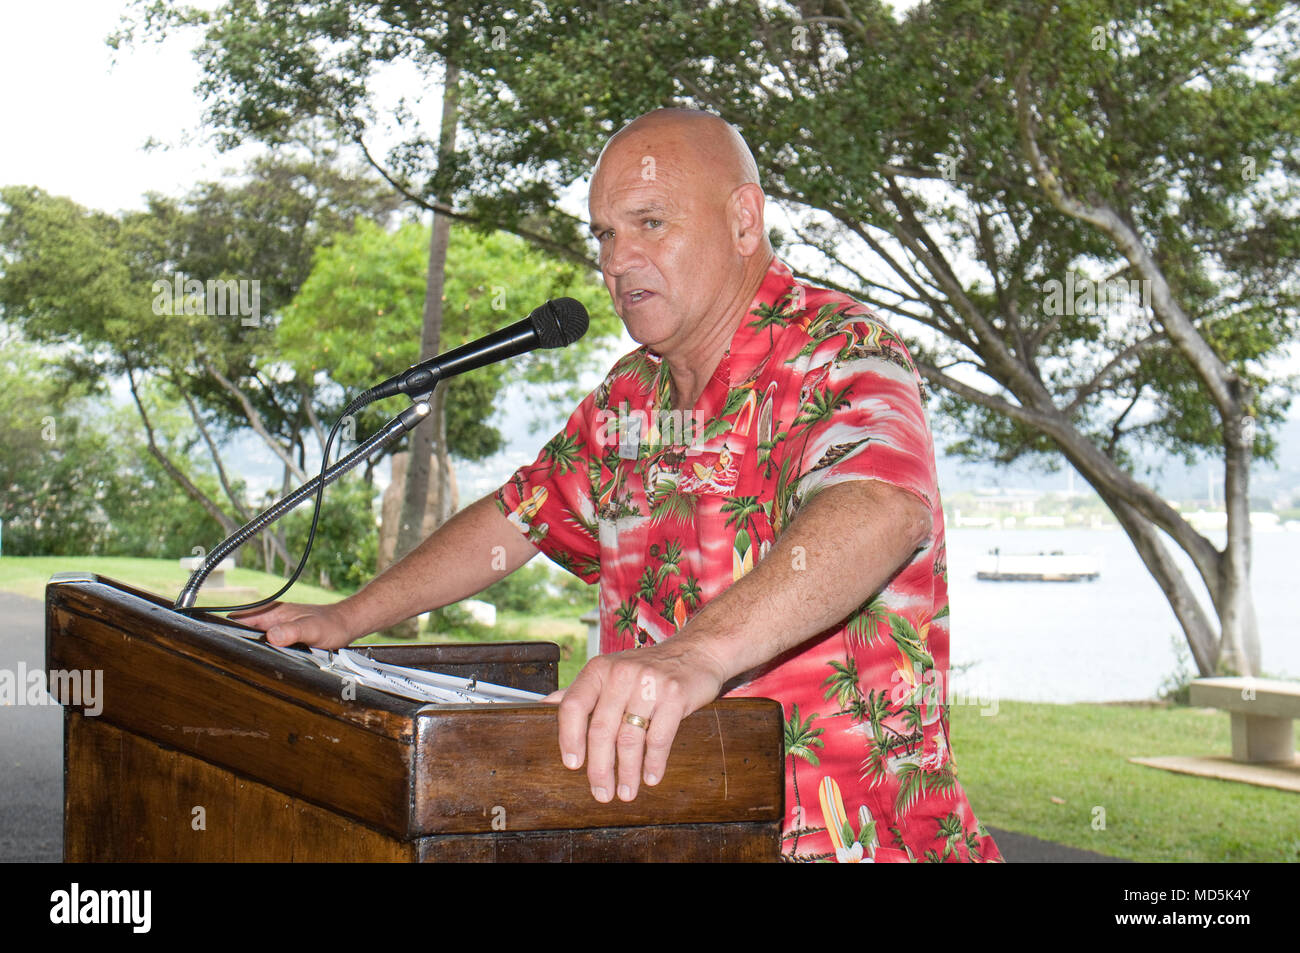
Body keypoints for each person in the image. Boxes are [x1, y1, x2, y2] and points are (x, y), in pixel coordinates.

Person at [235, 108, 1001, 863]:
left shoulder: (844, 350)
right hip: (670, 834)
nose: (615, 260)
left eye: (649, 223)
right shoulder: (626, 399)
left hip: (853, 840)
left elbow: (880, 509)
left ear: (744, 220)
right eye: (604, 234)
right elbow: (515, 521)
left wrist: (690, 656)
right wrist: (348, 616)